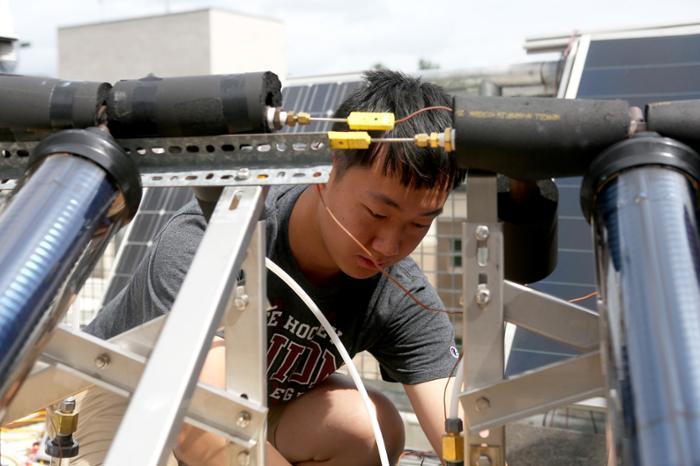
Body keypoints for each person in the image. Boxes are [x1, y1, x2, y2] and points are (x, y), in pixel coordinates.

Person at [80, 69, 467, 466]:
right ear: (328, 168)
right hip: (130, 393)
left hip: (260, 407)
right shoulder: (210, 237)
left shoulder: (398, 292)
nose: (389, 246)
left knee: (370, 427)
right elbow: (207, 425)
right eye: (376, 213)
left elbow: (462, 432)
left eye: (419, 224)